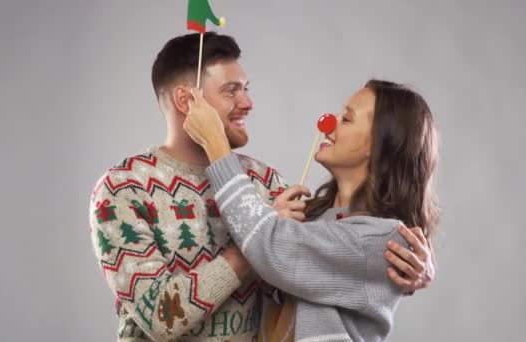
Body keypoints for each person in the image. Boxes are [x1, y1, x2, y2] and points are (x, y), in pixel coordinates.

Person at [89, 32, 434, 341]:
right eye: (231, 91)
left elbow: (337, 252)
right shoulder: (123, 190)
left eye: (247, 89)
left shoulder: (264, 183)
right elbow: (161, 320)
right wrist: (251, 246)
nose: (248, 103)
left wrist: (415, 266)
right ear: (186, 102)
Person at [183, 78, 440, 341]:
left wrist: (216, 144)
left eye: (347, 119)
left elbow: (271, 246)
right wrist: (273, 218)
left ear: (380, 144)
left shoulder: (383, 240)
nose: (330, 122)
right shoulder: (314, 218)